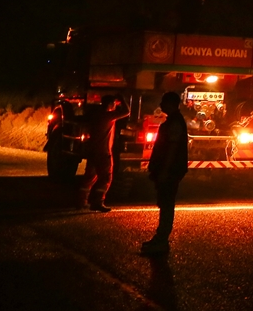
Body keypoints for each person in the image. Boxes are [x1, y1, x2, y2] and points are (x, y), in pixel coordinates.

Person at [141, 91, 189, 254]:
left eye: (163, 102)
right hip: (169, 170)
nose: (161, 105)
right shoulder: (174, 121)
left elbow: (172, 149)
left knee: (166, 204)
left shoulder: (174, 123)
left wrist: (164, 171)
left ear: (170, 104)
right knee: (165, 203)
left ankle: (161, 241)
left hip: (169, 171)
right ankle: (160, 239)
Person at [78, 94, 130, 212]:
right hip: (103, 152)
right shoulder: (108, 116)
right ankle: (98, 202)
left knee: (89, 177)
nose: (115, 106)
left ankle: (81, 201)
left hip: (93, 151)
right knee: (106, 178)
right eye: (114, 104)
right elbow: (127, 111)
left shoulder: (97, 115)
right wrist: (122, 98)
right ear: (110, 104)